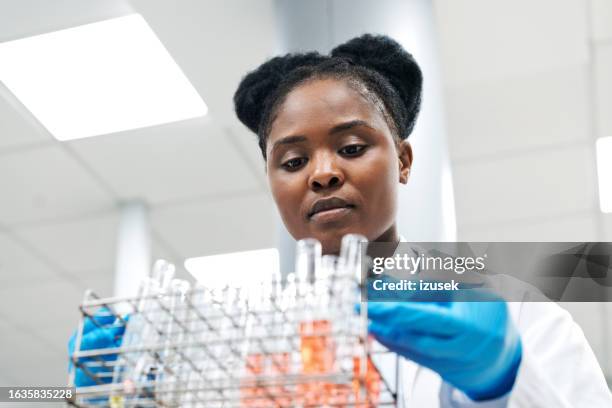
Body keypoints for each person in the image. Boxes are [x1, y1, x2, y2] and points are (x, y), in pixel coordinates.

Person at [70, 34, 612, 406]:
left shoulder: (514, 316)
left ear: (402, 160)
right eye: (293, 161)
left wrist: (505, 381)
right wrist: (112, 393)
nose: (322, 174)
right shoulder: (243, 346)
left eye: (351, 147)